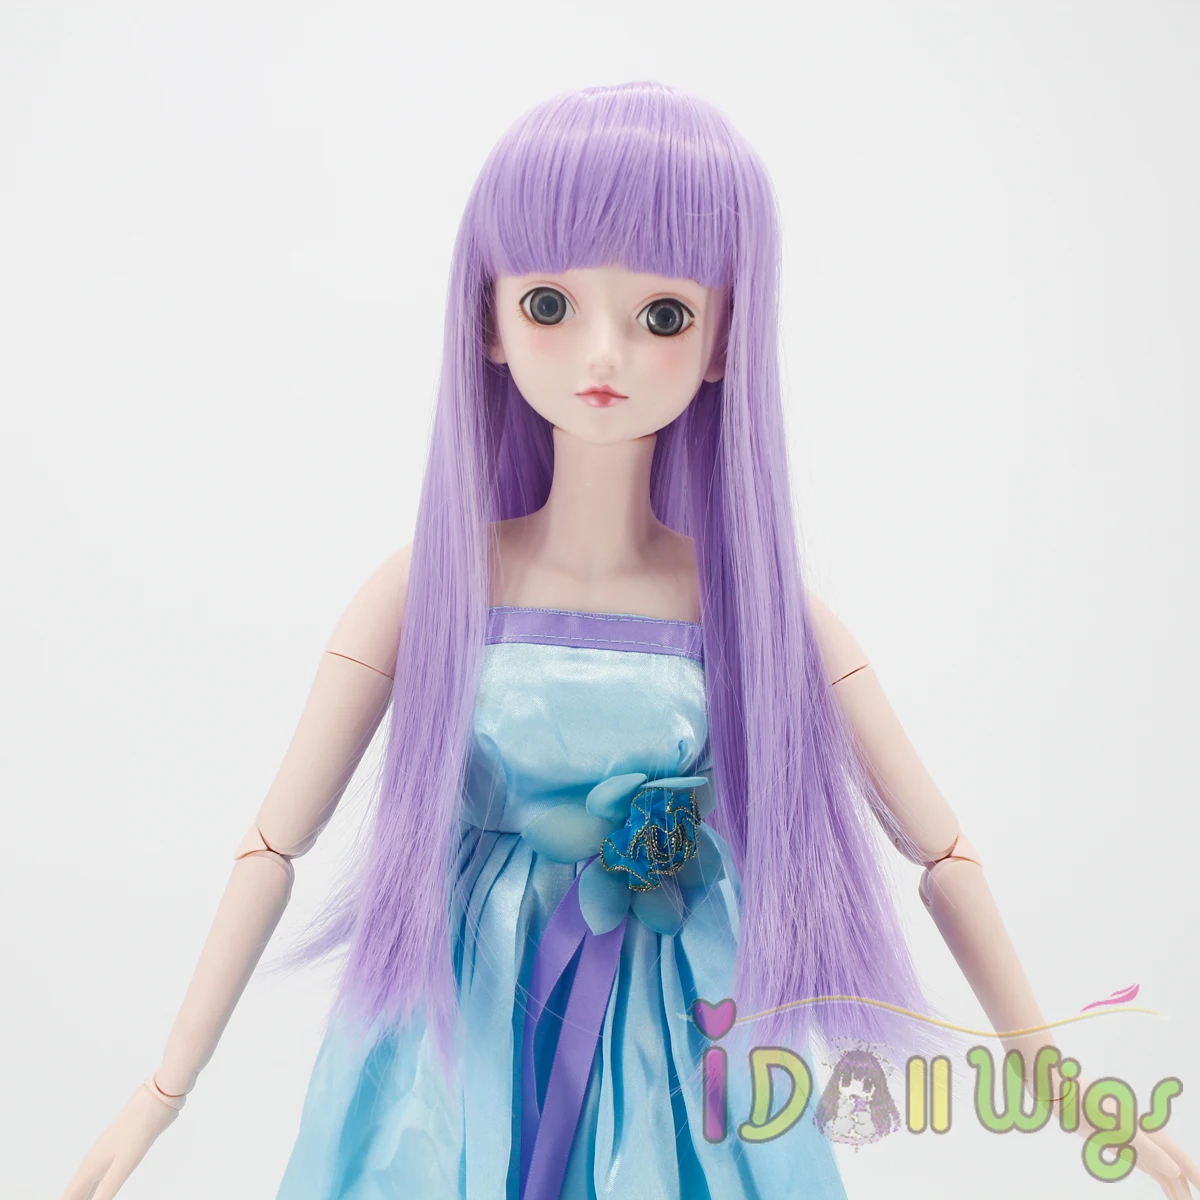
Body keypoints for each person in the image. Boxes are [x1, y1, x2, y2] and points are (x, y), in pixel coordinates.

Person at [60, 80, 1199, 1200]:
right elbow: (273, 847)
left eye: (662, 315)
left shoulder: (758, 611)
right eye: (550, 305)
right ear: (489, 320)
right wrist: (162, 1091)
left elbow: (941, 855)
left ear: (721, 342)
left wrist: (1059, 1082)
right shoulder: (428, 590)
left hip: (677, 1027)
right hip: (465, 1019)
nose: (600, 354)